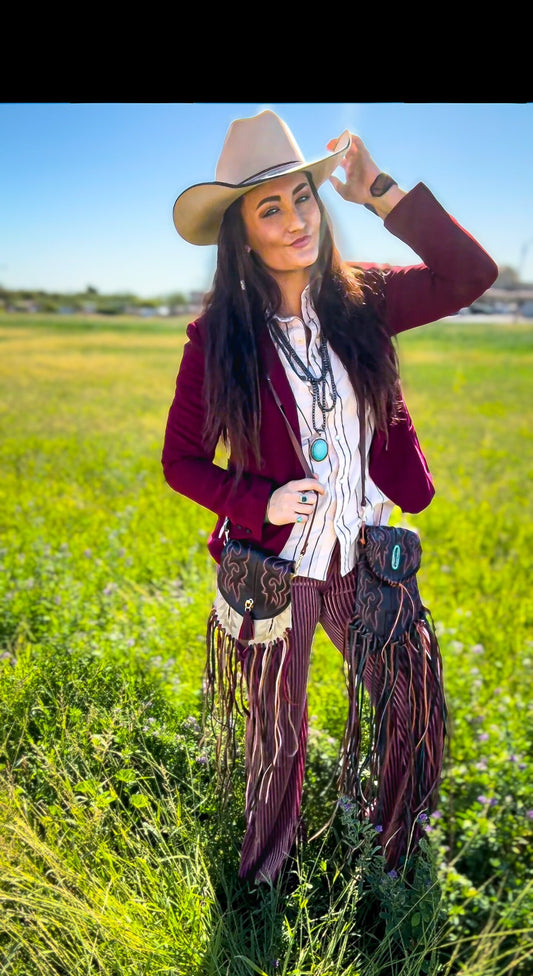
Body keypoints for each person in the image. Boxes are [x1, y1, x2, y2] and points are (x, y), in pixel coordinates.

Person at [161, 108, 498, 887]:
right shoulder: (215, 337)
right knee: (278, 735)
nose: (294, 219)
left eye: (302, 198)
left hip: (366, 554)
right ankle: (264, 880)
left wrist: (377, 191)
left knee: (410, 704)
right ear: (241, 233)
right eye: (269, 207)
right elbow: (181, 463)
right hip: (273, 568)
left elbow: (469, 275)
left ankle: (397, 857)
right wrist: (259, 502)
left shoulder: (366, 300)